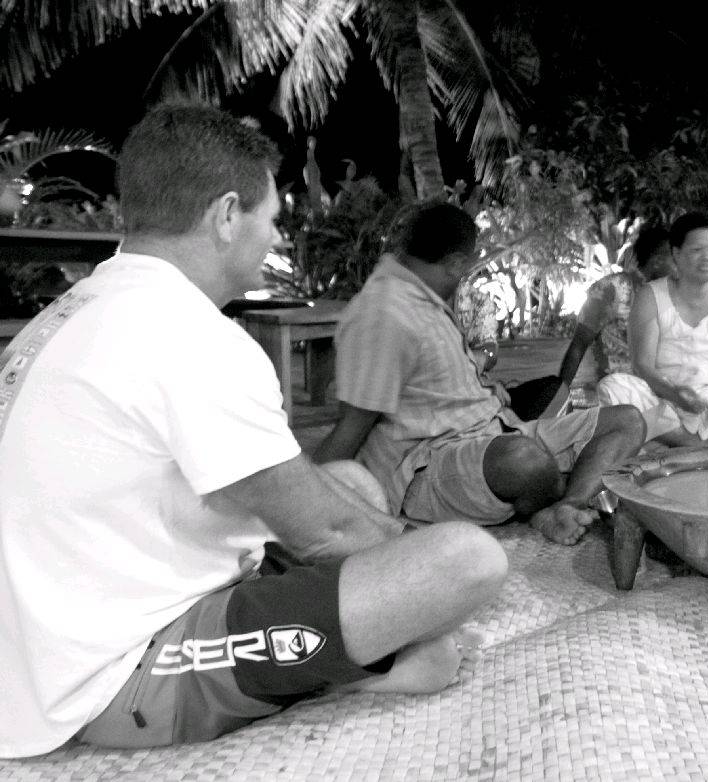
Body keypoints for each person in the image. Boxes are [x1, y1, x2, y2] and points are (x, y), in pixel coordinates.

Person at [0, 103, 509, 758]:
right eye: (271, 220)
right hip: (103, 670)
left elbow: (300, 497)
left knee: (351, 480)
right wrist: (413, 579)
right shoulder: (188, 336)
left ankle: (369, 647)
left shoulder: (80, 309)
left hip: (53, 618)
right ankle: (351, 676)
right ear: (225, 215)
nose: (274, 239)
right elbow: (327, 531)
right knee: (466, 559)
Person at [312, 201, 645, 547]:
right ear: (456, 263)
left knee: (628, 421)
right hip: (432, 464)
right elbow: (350, 429)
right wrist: (296, 511)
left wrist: (485, 386)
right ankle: (552, 494)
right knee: (527, 461)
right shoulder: (386, 313)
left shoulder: (421, 299)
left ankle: (565, 505)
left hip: (499, 431)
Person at [597, 211, 708, 446]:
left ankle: (689, 439)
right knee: (614, 387)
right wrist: (675, 395)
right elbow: (643, 366)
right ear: (676, 254)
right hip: (665, 400)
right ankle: (697, 443)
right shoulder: (650, 296)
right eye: (696, 250)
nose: (707, 257)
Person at [555, 226, 676, 394]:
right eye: (675, 259)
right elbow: (578, 345)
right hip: (619, 394)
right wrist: (558, 395)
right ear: (657, 261)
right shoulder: (611, 289)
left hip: (660, 394)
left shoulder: (668, 296)